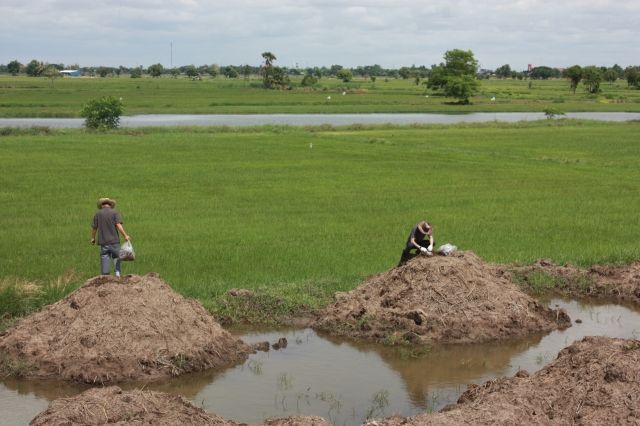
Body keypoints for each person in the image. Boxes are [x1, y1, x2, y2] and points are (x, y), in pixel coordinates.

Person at [91, 197, 130, 277]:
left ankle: (105, 276)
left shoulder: (98, 214)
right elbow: (118, 225)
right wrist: (125, 235)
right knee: (116, 256)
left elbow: (94, 228)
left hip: (103, 242)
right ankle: (117, 274)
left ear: (102, 205)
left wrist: (93, 238)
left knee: (104, 256)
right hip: (114, 241)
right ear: (110, 205)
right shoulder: (114, 213)